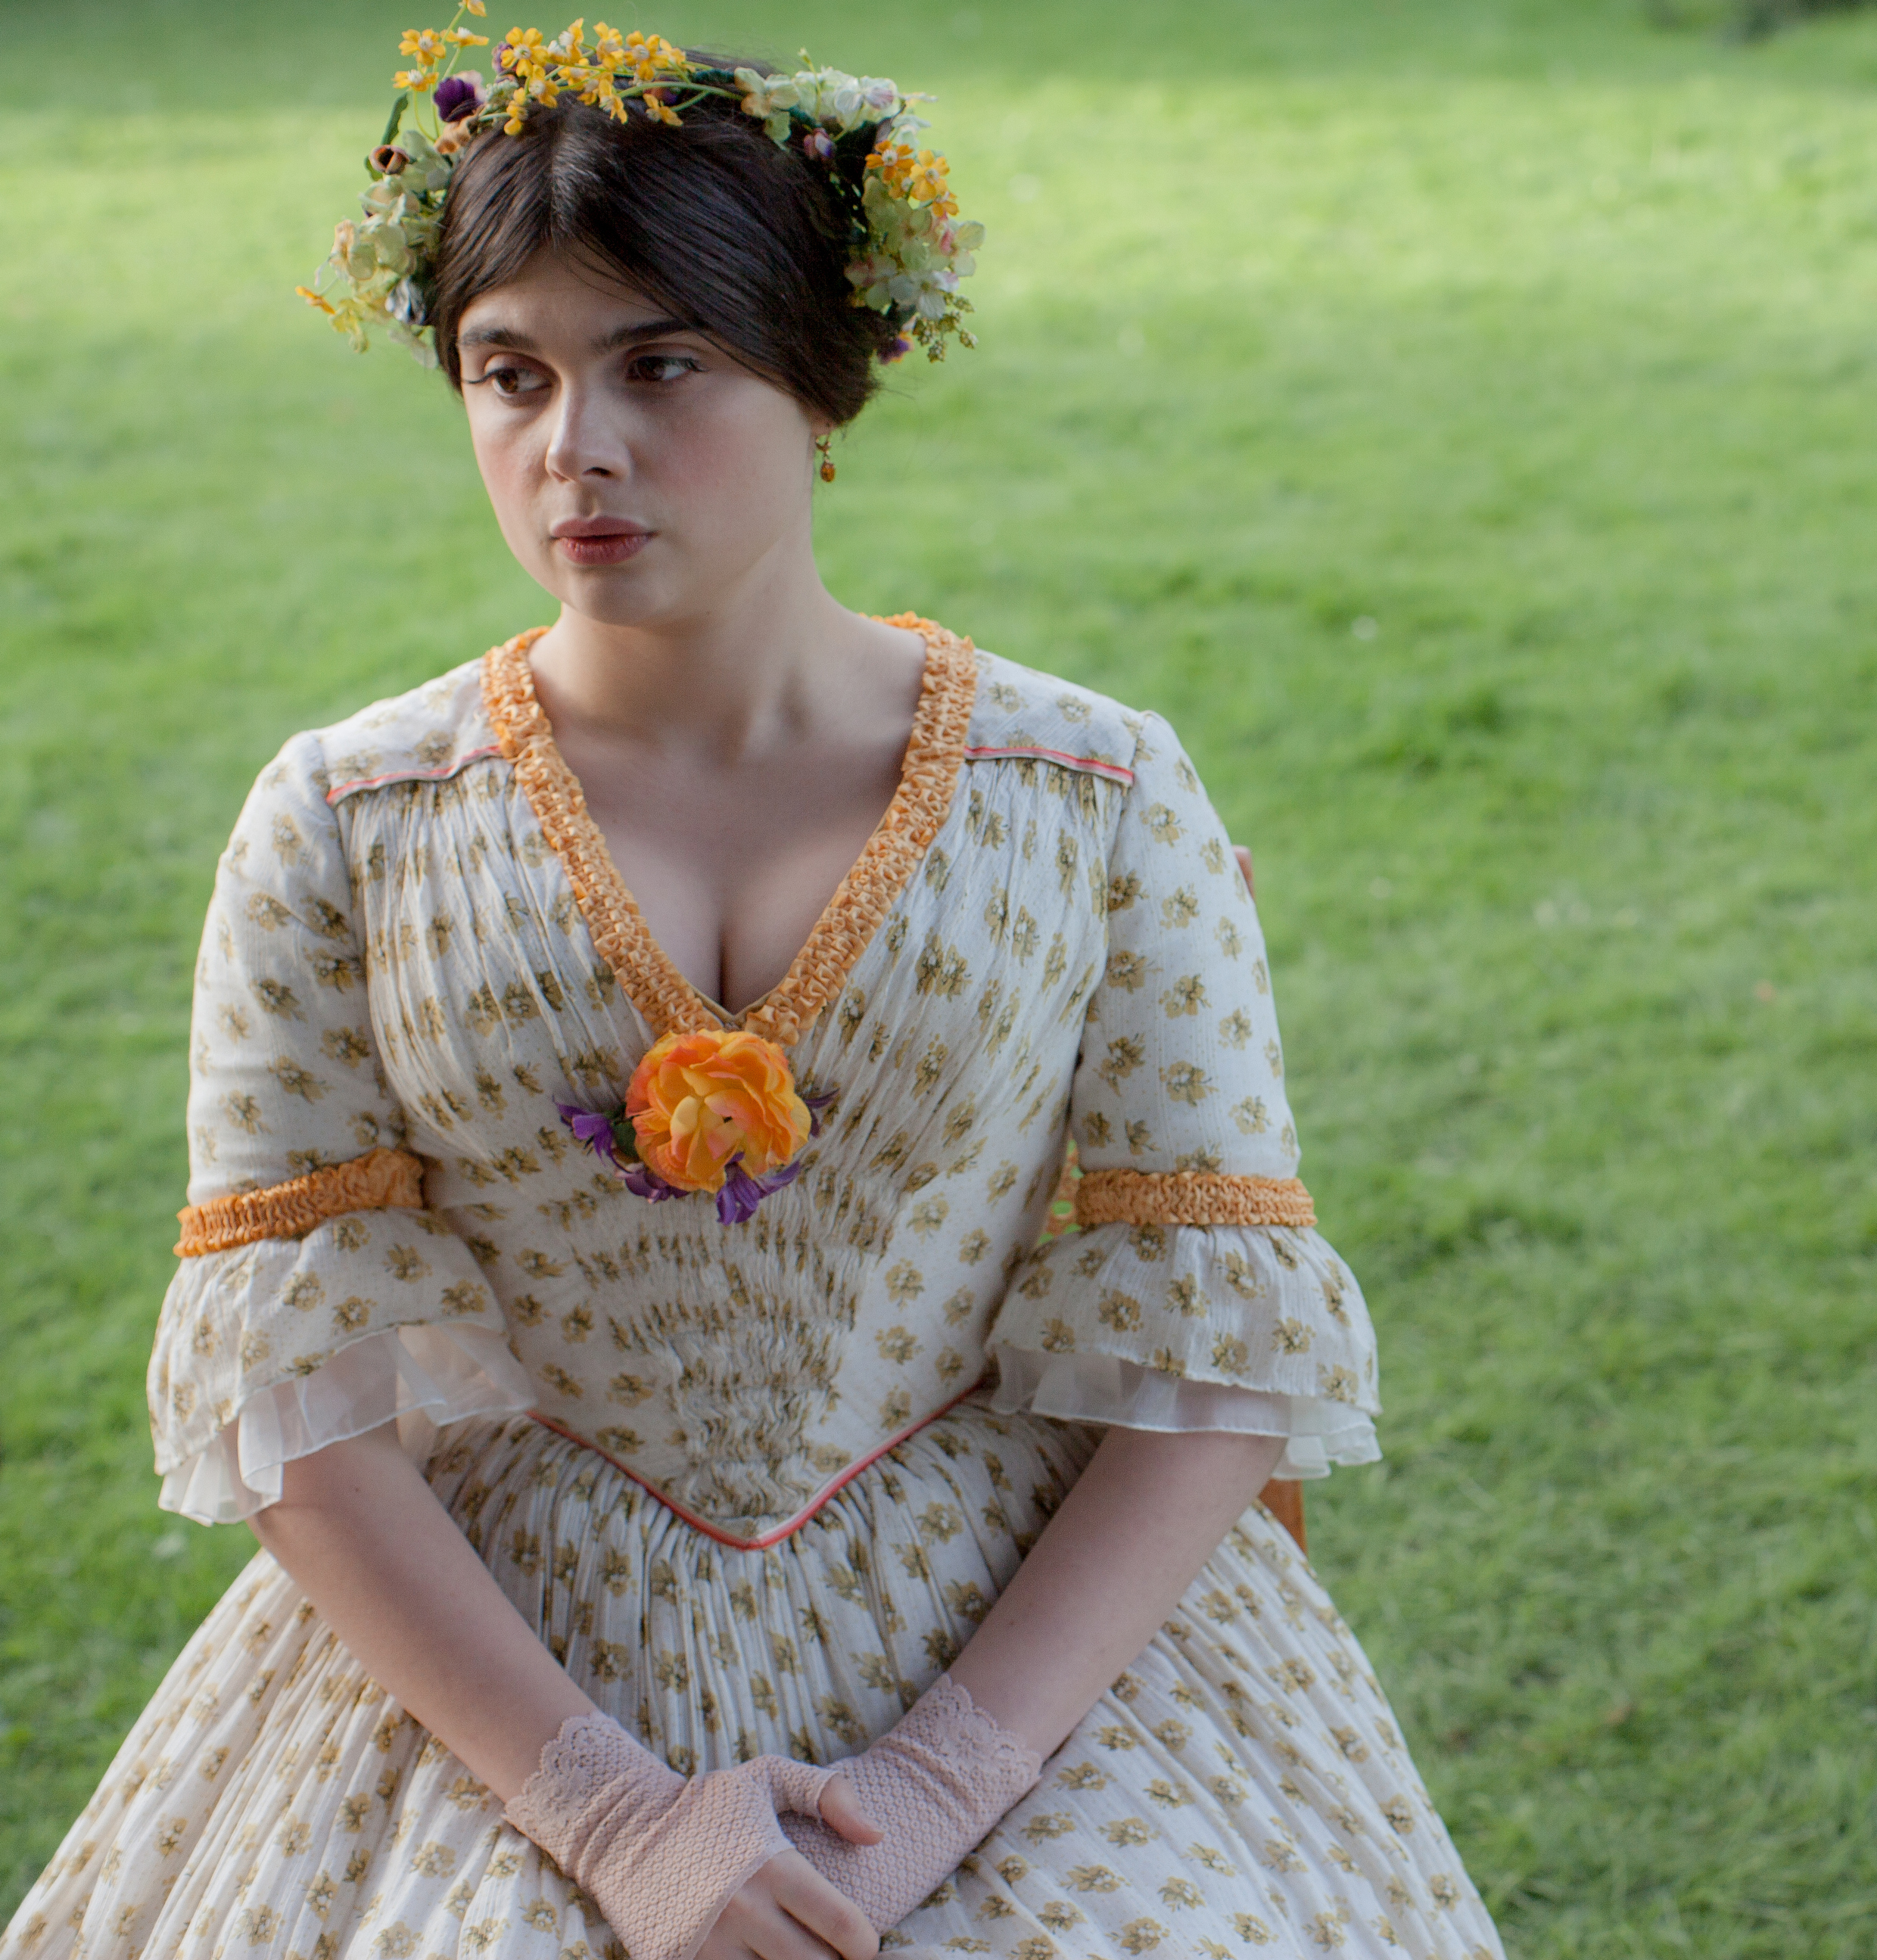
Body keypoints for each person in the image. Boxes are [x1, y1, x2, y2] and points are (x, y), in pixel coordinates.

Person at [7, 25, 1499, 1960]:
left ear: (827, 377)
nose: (577, 452)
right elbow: (288, 1393)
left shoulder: (1091, 792)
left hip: (1001, 1636)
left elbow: (1213, 1351)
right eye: (509, 374)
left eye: (661, 364)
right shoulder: (346, 820)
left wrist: (943, 1789)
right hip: (506, 1656)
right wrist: (613, 1814)